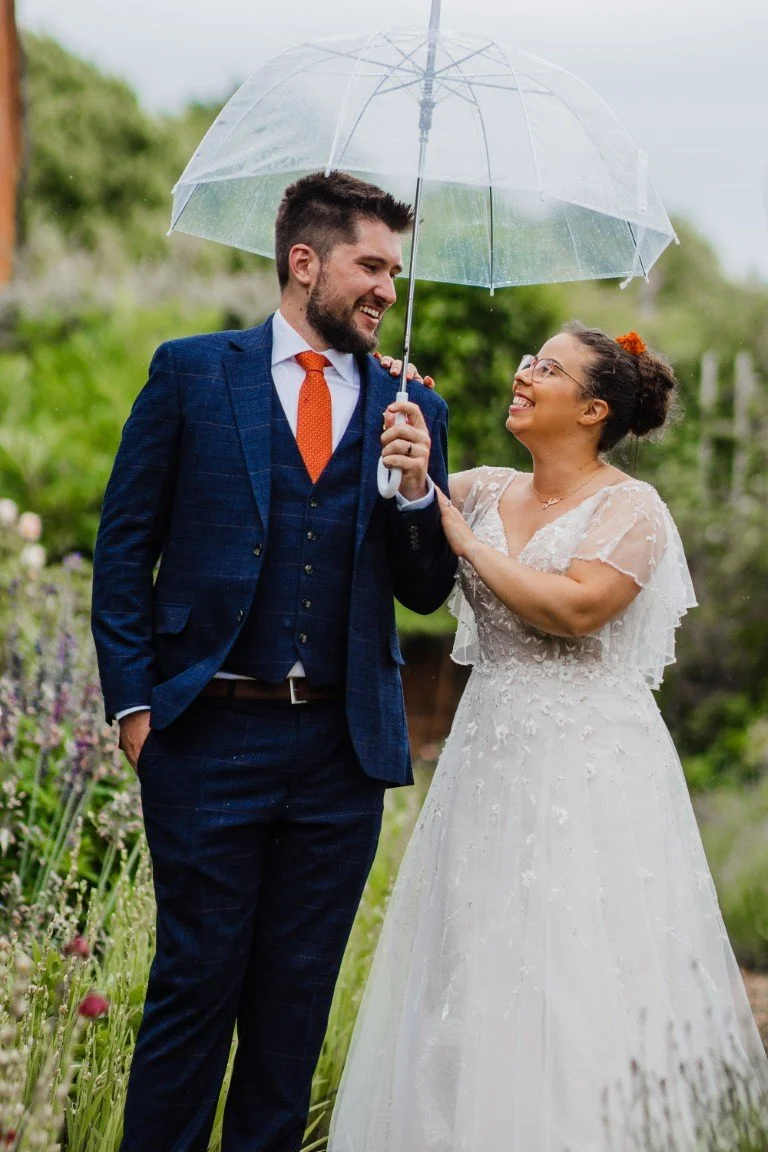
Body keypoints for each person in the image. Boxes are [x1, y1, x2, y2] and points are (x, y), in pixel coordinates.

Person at [329, 326, 768, 1150]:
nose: (524, 374)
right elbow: (401, 505)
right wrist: (402, 411)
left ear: (594, 409)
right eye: (529, 359)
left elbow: (573, 607)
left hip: (591, 768)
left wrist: (462, 539)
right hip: (487, 757)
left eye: (548, 369)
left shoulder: (632, 508)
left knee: (575, 967)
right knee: (473, 964)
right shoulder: (485, 488)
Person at [90, 170, 457, 1152]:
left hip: (341, 754)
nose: (387, 286)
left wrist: (419, 492)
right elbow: (125, 550)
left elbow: (424, 590)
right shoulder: (191, 373)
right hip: (206, 730)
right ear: (306, 261)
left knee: (291, 1014)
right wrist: (136, 709)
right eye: (370, 265)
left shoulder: (411, 408)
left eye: (394, 269)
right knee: (194, 991)